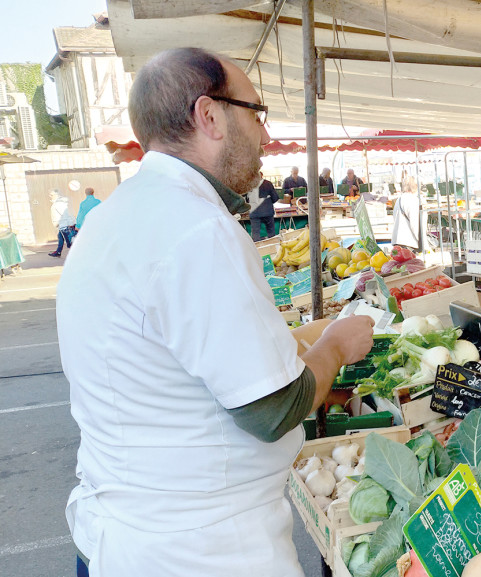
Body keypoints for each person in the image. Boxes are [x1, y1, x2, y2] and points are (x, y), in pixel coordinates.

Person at [55, 47, 375, 577]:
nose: (266, 136)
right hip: (198, 553)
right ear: (209, 116)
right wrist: (335, 347)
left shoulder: (119, 216)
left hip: (127, 535)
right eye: (257, 113)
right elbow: (272, 410)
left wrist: (302, 339)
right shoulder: (197, 228)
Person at [249, 173, 279, 241]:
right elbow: (275, 197)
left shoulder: (249, 184)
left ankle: (257, 249)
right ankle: (272, 248)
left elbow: (246, 199)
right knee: (271, 233)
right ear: (262, 176)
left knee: (255, 233)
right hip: (267, 211)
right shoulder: (268, 183)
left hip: (254, 212)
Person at [48, 190, 75, 257]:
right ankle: (58, 252)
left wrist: (71, 223)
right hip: (61, 225)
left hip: (65, 226)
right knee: (61, 238)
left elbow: (65, 214)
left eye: (51, 195)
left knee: (70, 243)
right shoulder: (57, 203)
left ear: (57, 195)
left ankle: (77, 255)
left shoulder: (59, 204)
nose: (50, 196)